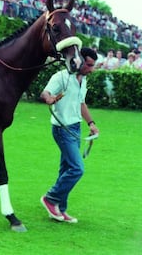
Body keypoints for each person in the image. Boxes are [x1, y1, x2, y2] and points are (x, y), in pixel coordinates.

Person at [40, 47, 100, 224]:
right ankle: (50, 199)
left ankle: (60, 209)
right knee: (77, 168)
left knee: (66, 169)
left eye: (93, 65)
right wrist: (48, 99)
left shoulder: (83, 80)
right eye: (89, 65)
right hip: (61, 129)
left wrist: (91, 123)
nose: (92, 69)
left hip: (75, 128)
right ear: (78, 61)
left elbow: (81, 103)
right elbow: (45, 93)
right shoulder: (61, 77)